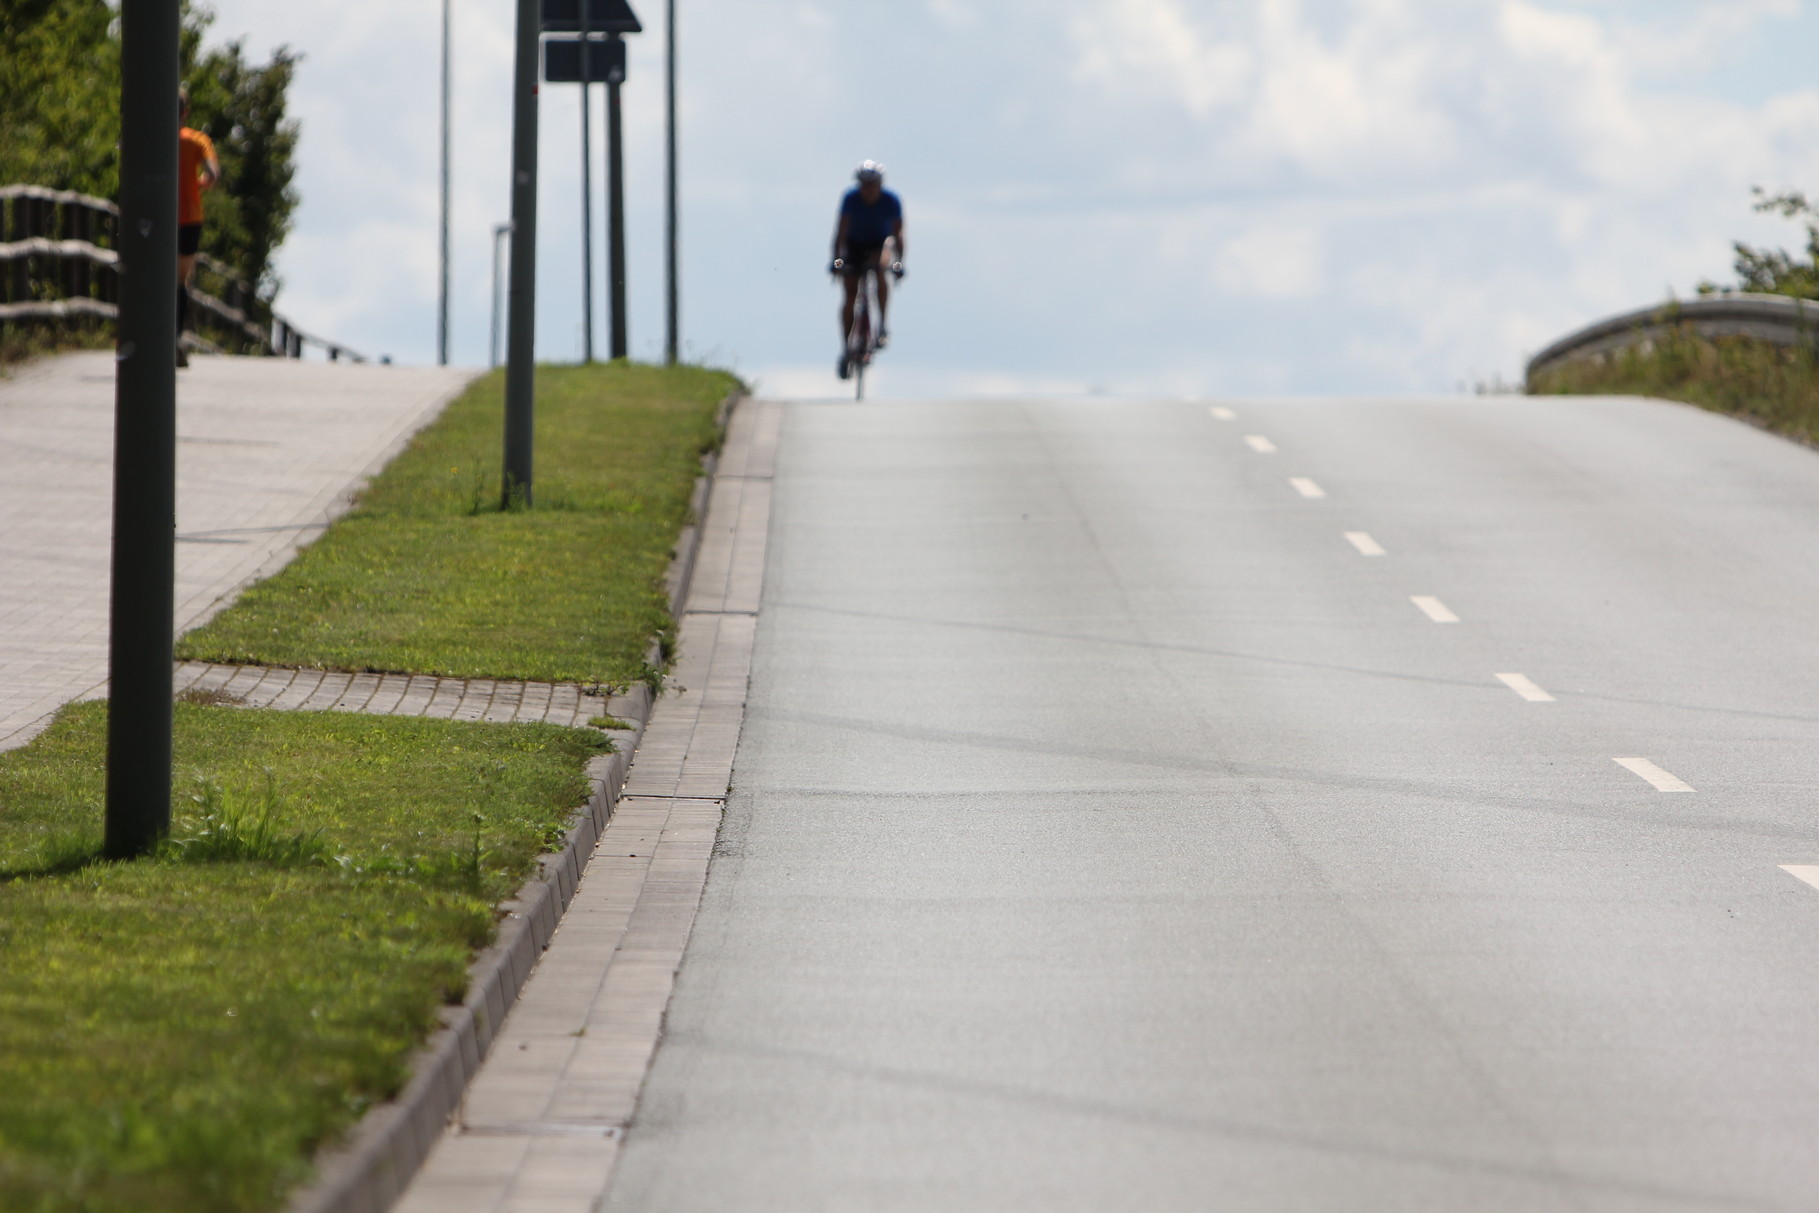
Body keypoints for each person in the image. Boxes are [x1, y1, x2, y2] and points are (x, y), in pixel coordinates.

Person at [829, 160, 904, 378]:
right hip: (854, 245)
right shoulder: (850, 199)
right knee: (850, 293)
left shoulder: (891, 200)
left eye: (872, 184)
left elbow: (898, 235)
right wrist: (836, 262)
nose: (868, 189)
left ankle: (882, 326)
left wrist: (898, 263)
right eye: (864, 184)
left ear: (880, 184)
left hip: (879, 244)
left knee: (880, 270)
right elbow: (840, 232)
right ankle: (846, 347)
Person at [176, 86, 220, 367]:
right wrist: (200, 182)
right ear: (186, 112)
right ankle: (174, 339)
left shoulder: (149, 137)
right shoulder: (197, 140)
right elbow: (213, 175)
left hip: (155, 217)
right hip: (189, 217)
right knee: (180, 280)